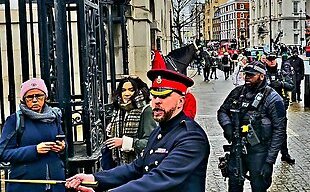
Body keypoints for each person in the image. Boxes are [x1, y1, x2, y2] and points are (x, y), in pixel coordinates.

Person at [66, 69, 210, 192]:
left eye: (165, 96)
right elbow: (136, 168)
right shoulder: (158, 132)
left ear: (181, 102)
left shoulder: (192, 138)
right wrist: (94, 178)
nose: (157, 101)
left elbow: (159, 178)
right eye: (154, 96)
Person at [217, 61, 286, 192]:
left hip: (259, 153)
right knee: (234, 187)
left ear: (262, 76)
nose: (247, 77)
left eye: (251, 75)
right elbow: (222, 111)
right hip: (237, 148)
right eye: (245, 74)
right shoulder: (238, 92)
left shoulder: (273, 98)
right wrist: (227, 126)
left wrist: (269, 161)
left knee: (259, 187)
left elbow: (279, 131)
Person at [0, 78, 65, 192]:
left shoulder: (54, 117)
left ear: (45, 97)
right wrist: (34, 150)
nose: (35, 100)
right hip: (26, 184)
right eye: (30, 97)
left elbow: (63, 141)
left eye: (39, 96)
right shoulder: (15, 120)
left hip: (55, 182)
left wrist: (62, 147)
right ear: (24, 100)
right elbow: (3, 153)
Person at [104, 77, 157, 168]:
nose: (127, 94)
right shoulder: (119, 110)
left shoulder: (146, 110)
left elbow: (151, 141)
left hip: (139, 164)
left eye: (131, 90)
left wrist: (124, 142)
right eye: (123, 90)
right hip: (119, 163)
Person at [265, 54, 296, 164]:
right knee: (266, 130)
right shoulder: (263, 73)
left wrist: (281, 84)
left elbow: (291, 85)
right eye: (270, 60)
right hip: (266, 106)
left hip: (279, 105)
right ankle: (266, 155)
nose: (272, 62)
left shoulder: (281, 73)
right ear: (266, 61)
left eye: (273, 59)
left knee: (282, 130)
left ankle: (285, 153)